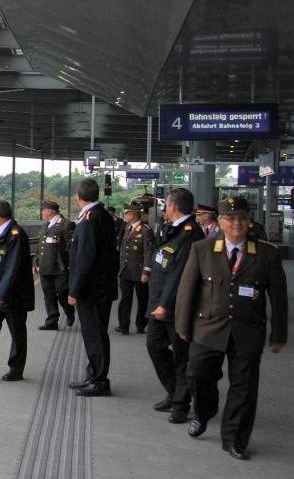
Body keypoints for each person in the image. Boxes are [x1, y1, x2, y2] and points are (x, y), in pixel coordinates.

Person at [176, 196, 287, 461]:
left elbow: (279, 299)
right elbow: (187, 290)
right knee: (197, 376)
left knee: (244, 388)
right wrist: (182, 324)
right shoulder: (202, 249)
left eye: (242, 219)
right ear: (221, 222)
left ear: (249, 222)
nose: (237, 223)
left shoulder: (267, 254)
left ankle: (235, 439)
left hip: (247, 332)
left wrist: (279, 334)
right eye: (231, 218)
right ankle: (203, 413)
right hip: (207, 329)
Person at [145, 188, 204, 424]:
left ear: (172, 207)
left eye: (166, 205)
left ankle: (181, 403)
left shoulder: (190, 234)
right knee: (155, 347)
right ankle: (174, 390)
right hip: (159, 303)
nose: (164, 209)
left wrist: (165, 304)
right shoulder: (173, 230)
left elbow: (179, 273)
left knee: (182, 356)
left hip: (176, 307)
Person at [67, 178, 119, 396]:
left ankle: (98, 381)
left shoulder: (89, 219)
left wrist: (74, 290)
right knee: (95, 334)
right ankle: (93, 375)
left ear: (78, 196)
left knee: (95, 335)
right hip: (101, 288)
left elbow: (85, 259)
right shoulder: (103, 216)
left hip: (92, 291)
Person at [0, 200, 35, 382]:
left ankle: (16, 369)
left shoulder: (16, 235)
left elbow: (14, 268)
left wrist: (2, 294)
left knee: (17, 333)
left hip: (13, 295)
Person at [33, 200, 76, 330]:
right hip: (45, 267)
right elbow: (40, 246)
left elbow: (72, 247)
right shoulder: (45, 225)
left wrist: (71, 265)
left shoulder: (66, 224)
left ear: (50, 211)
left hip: (60, 267)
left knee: (63, 293)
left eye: (43, 210)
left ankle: (69, 313)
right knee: (49, 295)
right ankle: (51, 321)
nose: (42, 212)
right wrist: (36, 261)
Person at [116, 203, 154, 334]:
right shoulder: (127, 227)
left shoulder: (145, 230)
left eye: (126, 214)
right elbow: (123, 248)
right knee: (125, 298)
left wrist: (146, 271)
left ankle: (141, 324)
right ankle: (123, 324)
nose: (125, 216)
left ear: (132, 215)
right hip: (126, 270)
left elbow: (148, 252)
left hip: (139, 270)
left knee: (142, 299)